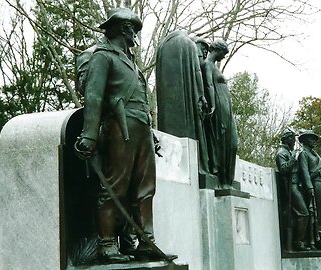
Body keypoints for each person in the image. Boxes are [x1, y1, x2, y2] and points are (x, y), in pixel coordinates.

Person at [74, 7, 176, 263]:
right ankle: (107, 245)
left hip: (140, 128)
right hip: (120, 127)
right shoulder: (103, 56)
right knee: (114, 186)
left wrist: (150, 133)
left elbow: (140, 100)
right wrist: (89, 135)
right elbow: (94, 97)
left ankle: (146, 242)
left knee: (145, 188)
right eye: (132, 29)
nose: (135, 35)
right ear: (122, 29)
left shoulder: (130, 61)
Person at [155, 30, 212, 175]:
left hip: (167, 108)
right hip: (188, 106)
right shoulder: (189, 45)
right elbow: (197, 72)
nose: (204, 54)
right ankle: (199, 167)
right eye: (203, 49)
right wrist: (201, 96)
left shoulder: (163, 47)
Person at [201, 39, 238, 187]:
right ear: (218, 49)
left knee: (233, 143)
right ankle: (222, 180)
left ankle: (228, 179)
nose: (224, 56)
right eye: (224, 53)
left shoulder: (214, 66)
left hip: (226, 108)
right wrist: (213, 105)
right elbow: (209, 85)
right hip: (219, 106)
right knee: (222, 142)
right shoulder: (207, 65)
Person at [275, 128, 310, 251]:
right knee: (303, 213)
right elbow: (284, 169)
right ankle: (297, 242)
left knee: (302, 214)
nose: (294, 142)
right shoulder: (281, 153)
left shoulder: (287, 152)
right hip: (291, 187)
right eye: (293, 139)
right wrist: (293, 158)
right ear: (287, 139)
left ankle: (298, 241)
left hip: (296, 185)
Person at [297, 130, 321, 250]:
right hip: (312, 186)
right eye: (312, 139)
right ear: (305, 140)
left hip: (319, 185)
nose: (314, 141)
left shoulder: (315, 154)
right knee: (313, 213)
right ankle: (312, 240)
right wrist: (309, 187)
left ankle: (320, 238)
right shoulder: (303, 154)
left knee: (320, 213)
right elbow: (305, 173)